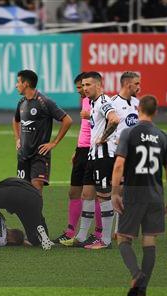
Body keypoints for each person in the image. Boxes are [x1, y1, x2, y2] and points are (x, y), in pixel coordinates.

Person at [112, 95, 167, 296]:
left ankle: (136, 274)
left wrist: (115, 193)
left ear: (138, 109)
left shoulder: (129, 133)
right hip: (156, 195)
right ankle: (142, 291)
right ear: (156, 112)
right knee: (149, 242)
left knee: (123, 238)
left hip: (134, 193)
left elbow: (119, 165)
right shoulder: (162, 136)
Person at [61, 72, 120, 249]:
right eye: (83, 85)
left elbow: (114, 119)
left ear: (99, 85)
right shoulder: (93, 104)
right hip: (92, 156)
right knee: (87, 194)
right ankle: (81, 237)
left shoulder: (103, 102)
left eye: (88, 85)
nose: (85, 88)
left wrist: (103, 138)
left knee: (103, 196)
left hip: (104, 157)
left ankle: (106, 240)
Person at [53, 73, 103, 244]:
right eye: (79, 87)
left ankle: (98, 233)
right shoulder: (85, 101)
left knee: (94, 195)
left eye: (82, 86)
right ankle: (70, 232)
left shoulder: (102, 102)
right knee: (74, 192)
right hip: (82, 151)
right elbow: (85, 129)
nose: (80, 90)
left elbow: (109, 124)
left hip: (94, 151)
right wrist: (77, 149)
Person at [12, 69, 73, 193]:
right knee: (23, 190)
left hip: (39, 155)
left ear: (26, 84)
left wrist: (54, 143)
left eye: (18, 82)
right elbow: (15, 119)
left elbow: (67, 120)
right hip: (23, 154)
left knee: (36, 187)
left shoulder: (44, 102)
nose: (16, 85)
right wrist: (17, 138)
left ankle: (35, 213)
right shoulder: (22, 102)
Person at [0, 178, 54, 250]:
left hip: (16, 194)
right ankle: (44, 234)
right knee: (34, 239)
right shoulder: (14, 183)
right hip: (36, 198)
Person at [112, 72, 141, 143]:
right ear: (127, 85)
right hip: (117, 149)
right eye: (136, 84)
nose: (138, 87)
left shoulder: (137, 102)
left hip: (134, 148)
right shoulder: (112, 103)